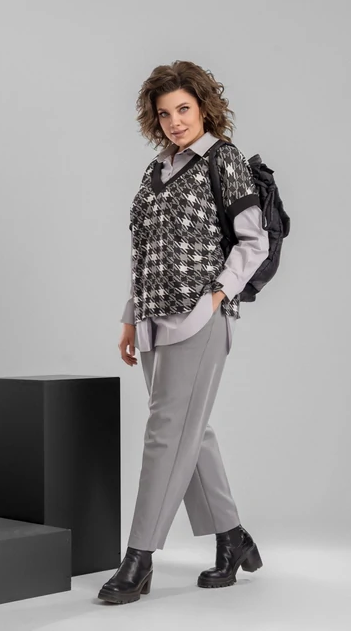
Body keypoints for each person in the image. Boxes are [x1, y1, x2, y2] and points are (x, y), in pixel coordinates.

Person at [98, 60, 268, 606]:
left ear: (203, 108)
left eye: (184, 109)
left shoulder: (223, 159)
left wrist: (217, 293)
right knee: (190, 430)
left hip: (198, 317)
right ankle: (232, 538)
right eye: (165, 113)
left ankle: (139, 557)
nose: (175, 121)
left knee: (165, 433)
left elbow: (254, 241)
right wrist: (130, 315)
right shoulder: (155, 171)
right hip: (152, 317)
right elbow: (144, 252)